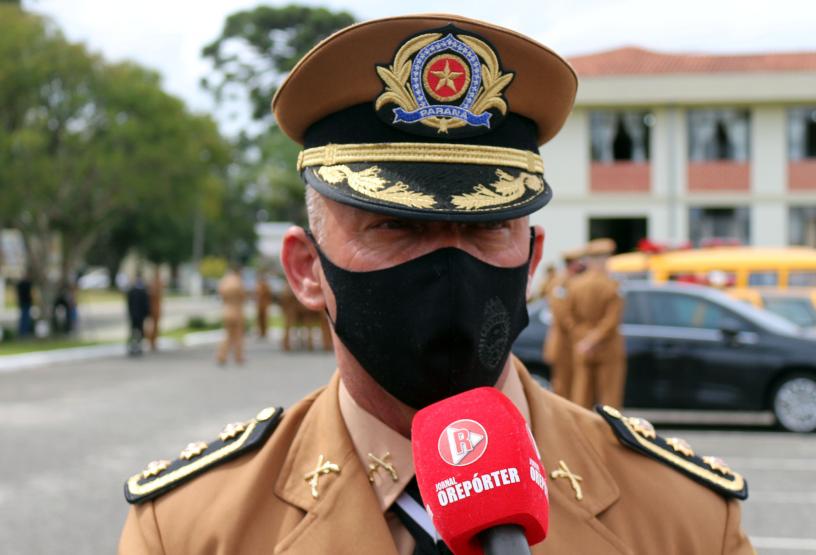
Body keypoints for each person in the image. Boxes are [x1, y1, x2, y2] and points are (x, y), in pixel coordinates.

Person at [119, 15, 753, 554]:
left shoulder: (686, 521)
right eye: (397, 226)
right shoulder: (188, 531)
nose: (451, 269)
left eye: (486, 229)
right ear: (306, 270)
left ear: (531, 262)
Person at [564, 239, 628, 409]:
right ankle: (607, 434)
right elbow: (611, 321)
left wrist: (584, 340)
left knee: (582, 394)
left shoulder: (574, 284)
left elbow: (568, 318)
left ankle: (581, 432)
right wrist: (592, 340)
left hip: (582, 345)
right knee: (609, 397)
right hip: (607, 346)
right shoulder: (612, 286)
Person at [543, 248, 585, 398]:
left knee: (573, 384)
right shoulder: (560, 282)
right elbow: (560, 312)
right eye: (579, 263)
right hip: (563, 341)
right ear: (572, 264)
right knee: (562, 384)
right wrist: (577, 328)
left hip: (570, 341)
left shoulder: (573, 280)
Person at [215, 265, 246, 366]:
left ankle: (221, 356)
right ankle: (238, 356)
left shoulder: (224, 281)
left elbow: (220, 295)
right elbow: (242, 296)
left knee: (227, 335)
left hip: (226, 310)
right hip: (236, 310)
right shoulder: (238, 282)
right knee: (238, 335)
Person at [126, 274, 150, 357]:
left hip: (137, 315)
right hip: (137, 315)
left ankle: (136, 347)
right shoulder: (138, 291)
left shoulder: (135, 291)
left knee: (136, 331)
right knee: (135, 331)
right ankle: (134, 347)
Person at [146, 269, 164, 351]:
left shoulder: (158, 284)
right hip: (154, 309)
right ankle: (151, 342)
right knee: (152, 326)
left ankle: (154, 342)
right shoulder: (154, 285)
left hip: (157, 308)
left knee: (156, 327)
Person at [254, 270, 272, 339]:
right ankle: (260, 332)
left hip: (264, 305)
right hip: (259, 304)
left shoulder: (265, 285)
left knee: (264, 319)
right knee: (259, 319)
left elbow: (268, 295)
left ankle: (264, 332)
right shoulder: (258, 285)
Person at [16, 273, 33, 338]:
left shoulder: (24, 284)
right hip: (24, 303)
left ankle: (24, 331)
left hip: (25, 303)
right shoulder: (25, 284)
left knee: (25, 318)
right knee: (24, 318)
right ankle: (23, 332)